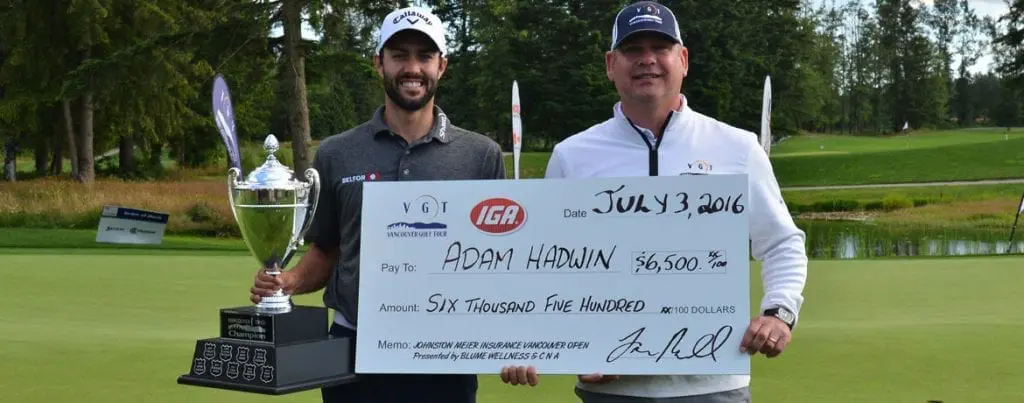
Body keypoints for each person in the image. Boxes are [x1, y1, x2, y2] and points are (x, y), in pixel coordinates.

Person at [499, 2, 808, 402]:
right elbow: (543, 264)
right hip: (610, 389)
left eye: (659, 48)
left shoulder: (737, 147)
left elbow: (782, 242)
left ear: (682, 59)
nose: (647, 60)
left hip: (714, 387)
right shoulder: (573, 155)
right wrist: (533, 342)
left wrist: (779, 313)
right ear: (611, 64)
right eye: (633, 50)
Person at [249, 6, 506, 403]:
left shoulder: (480, 155)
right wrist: (288, 283)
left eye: (424, 56)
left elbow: (499, 263)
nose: (413, 67)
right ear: (379, 63)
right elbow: (328, 250)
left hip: (444, 353)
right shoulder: (337, 154)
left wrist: (518, 341)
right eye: (399, 55)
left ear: (442, 66)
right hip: (353, 349)